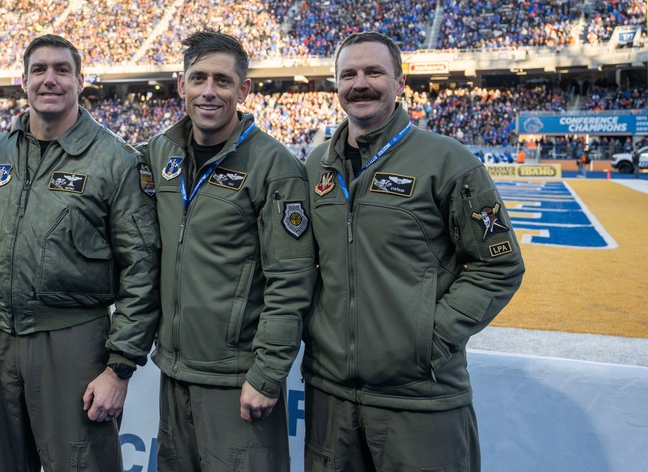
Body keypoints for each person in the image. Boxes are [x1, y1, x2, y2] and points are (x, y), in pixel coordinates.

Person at [302, 31, 525, 472]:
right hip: (331, 400)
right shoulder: (314, 167)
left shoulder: (449, 161)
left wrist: (427, 341)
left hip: (420, 400)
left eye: (374, 72)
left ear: (401, 82)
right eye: (348, 74)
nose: (359, 83)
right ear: (336, 85)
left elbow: (498, 265)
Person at [0, 33, 160, 472]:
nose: (49, 80)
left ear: (80, 80)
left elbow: (143, 271)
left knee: (80, 464)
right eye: (39, 70)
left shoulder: (117, 161)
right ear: (23, 81)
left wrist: (119, 369)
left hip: (75, 340)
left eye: (61, 70)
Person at [144, 30, 317, 471]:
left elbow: (292, 280)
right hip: (175, 372)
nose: (208, 91)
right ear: (181, 85)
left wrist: (266, 374)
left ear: (243, 90)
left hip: (238, 381)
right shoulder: (161, 152)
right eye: (198, 78)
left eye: (222, 81)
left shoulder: (274, 166)